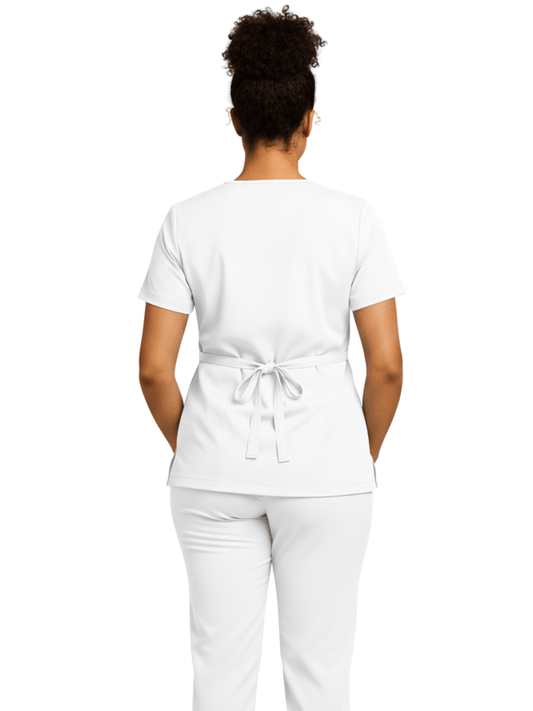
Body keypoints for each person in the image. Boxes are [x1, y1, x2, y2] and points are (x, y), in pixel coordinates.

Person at [137, 5, 405, 710]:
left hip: (212, 470)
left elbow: (154, 370)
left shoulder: (186, 220)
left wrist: (199, 443)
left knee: (218, 680)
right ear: (309, 121)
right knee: (321, 680)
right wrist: (356, 455)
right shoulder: (353, 219)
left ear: (234, 120)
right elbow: (386, 367)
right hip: (327, 470)